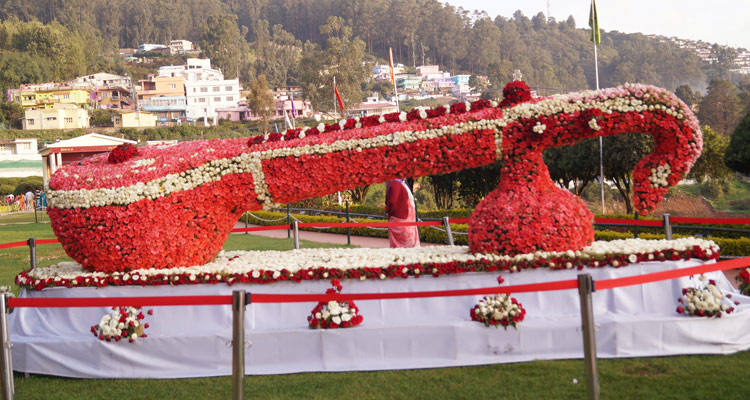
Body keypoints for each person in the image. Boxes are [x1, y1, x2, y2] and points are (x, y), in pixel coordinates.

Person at [385, 178, 420, 248]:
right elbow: (393, 201)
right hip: (404, 219)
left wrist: (388, 213)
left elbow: (392, 202)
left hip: (403, 219)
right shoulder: (399, 183)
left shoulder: (398, 183)